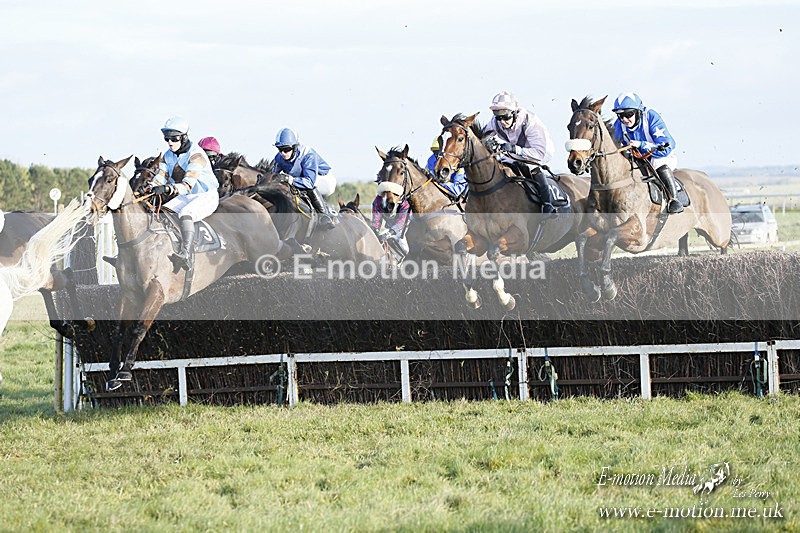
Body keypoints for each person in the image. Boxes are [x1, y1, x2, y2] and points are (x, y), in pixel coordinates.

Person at [146, 116, 220, 270]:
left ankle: (186, 253)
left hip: (206, 196)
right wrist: (150, 187)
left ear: (184, 137)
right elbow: (160, 176)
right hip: (186, 196)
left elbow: (187, 185)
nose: (170, 142)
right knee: (163, 212)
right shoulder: (167, 155)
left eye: (174, 138)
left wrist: (167, 188)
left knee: (186, 213)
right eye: (167, 139)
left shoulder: (197, 155)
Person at [481, 91, 557, 213]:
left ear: (514, 113)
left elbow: (539, 153)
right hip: (516, 150)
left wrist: (515, 149)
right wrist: (486, 143)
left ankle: (547, 204)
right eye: (498, 117)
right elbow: (481, 137)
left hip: (540, 151)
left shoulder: (530, 122)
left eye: (505, 117)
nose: (502, 121)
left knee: (529, 166)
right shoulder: (496, 122)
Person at [611, 92, 682, 214]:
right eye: (620, 116)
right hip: (638, 159)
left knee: (657, 163)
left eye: (628, 114)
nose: (624, 120)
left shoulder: (651, 117)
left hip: (660, 156)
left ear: (638, 111)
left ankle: (673, 200)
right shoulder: (619, 125)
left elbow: (666, 146)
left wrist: (641, 144)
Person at [271, 128, 337, 228]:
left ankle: (324, 216)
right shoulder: (279, 157)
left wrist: (289, 179)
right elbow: (272, 175)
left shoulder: (308, 155)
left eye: (286, 149)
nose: (283, 153)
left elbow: (309, 182)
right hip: (302, 179)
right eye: (280, 149)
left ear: (295, 147)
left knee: (308, 186)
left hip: (323, 179)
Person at [371, 181, 410, 255]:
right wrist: (375, 230)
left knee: (404, 247)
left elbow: (402, 221)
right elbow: (376, 218)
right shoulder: (378, 200)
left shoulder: (404, 202)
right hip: (389, 228)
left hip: (405, 229)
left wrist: (390, 233)